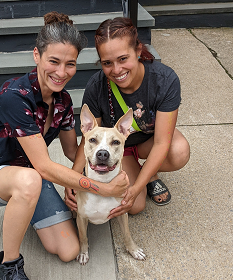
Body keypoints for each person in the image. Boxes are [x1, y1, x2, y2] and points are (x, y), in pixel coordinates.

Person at [0, 12, 129, 280]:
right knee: (31, 180)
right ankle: (9, 265)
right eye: (54, 61)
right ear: (37, 55)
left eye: (70, 64)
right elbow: (42, 167)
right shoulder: (16, 96)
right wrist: (99, 189)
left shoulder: (63, 102)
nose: (62, 71)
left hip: (30, 178)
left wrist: (95, 175)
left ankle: (23, 209)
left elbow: (73, 152)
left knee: (69, 249)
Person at [65, 17, 190, 219]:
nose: (116, 70)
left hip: (149, 142)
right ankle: (142, 171)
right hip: (118, 148)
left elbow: (161, 143)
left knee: (179, 151)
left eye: (123, 59)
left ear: (138, 50)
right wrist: (74, 179)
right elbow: (88, 138)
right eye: (107, 63)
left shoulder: (164, 81)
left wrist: (136, 186)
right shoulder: (96, 87)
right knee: (134, 206)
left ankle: (148, 176)